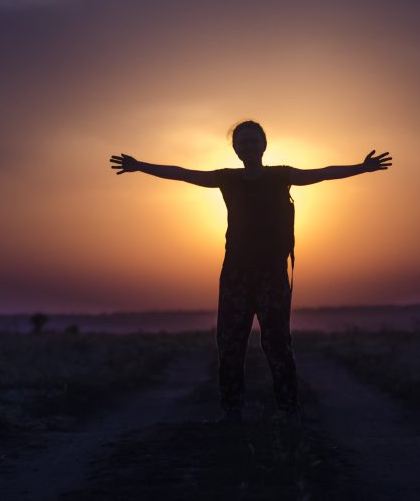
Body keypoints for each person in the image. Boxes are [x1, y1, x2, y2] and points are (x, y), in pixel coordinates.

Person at [110, 120, 392, 423]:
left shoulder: (280, 175)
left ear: (264, 145)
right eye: (242, 142)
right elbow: (184, 174)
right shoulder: (227, 179)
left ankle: (288, 411)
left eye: (253, 141)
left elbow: (321, 174)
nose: (248, 146)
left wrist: (361, 168)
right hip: (236, 272)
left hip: (272, 272)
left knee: (278, 343)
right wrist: (140, 166)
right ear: (235, 149)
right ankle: (232, 411)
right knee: (230, 343)